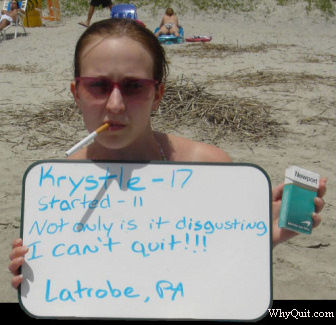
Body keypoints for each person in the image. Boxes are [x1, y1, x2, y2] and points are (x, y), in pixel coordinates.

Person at [8, 18, 327, 289]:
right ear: (76, 93)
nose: (115, 105)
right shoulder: (61, 182)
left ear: (157, 94)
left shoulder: (210, 166)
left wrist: (257, 238)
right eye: (98, 86)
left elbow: (217, 278)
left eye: (134, 87)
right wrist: (41, 278)